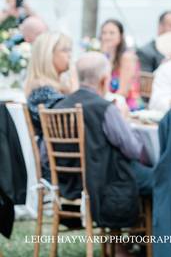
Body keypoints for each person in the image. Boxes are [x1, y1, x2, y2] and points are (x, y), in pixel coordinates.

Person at [54, 53, 153, 229]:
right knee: (159, 178)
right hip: (104, 183)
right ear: (104, 79)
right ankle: (142, 241)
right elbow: (133, 150)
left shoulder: (59, 107)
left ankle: (125, 244)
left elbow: (47, 156)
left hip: (68, 183)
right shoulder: (105, 108)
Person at [24, 32, 76, 178]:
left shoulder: (50, 89)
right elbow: (72, 125)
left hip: (63, 162)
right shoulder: (43, 92)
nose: (70, 55)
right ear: (48, 55)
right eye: (65, 50)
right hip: (60, 168)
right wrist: (76, 89)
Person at [99, 19, 141, 111]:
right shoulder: (104, 57)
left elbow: (123, 92)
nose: (107, 36)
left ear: (120, 36)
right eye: (104, 33)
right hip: (106, 104)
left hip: (124, 107)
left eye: (112, 33)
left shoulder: (127, 57)